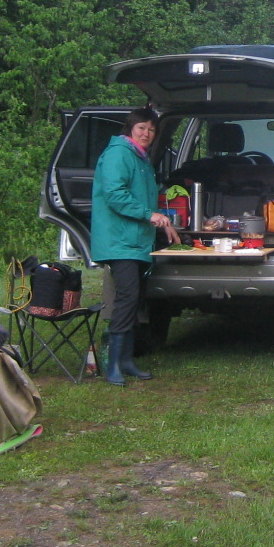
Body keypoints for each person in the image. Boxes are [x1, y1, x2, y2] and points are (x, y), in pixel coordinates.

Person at [91, 107, 178, 386]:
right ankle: (113, 365)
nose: (146, 134)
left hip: (135, 240)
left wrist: (164, 222)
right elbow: (115, 194)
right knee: (127, 298)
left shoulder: (140, 159)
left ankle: (127, 360)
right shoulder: (119, 154)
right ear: (130, 129)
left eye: (151, 130)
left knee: (135, 298)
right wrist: (149, 215)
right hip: (119, 240)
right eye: (141, 128)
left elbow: (146, 199)